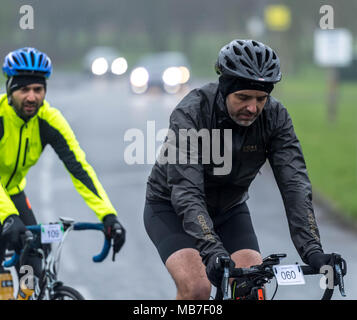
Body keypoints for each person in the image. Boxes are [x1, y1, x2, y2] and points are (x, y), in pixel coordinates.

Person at [144, 39, 344, 299]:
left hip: (229, 209)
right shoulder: (192, 113)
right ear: (225, 89)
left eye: (261, 98)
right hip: (171, 208)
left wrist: (313, 252)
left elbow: (294, 185)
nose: (252, 107)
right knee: (197, 289)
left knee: (251, 287)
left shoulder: (275, 117)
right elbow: (187, 192)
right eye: (243, 97)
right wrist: (213, 251)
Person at [0, 47, 126, 298]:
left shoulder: (50, 120)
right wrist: (7, 217)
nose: (32, 97)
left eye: (38, 89)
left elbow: (80, 169)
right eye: (24, 89)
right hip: (5, 204)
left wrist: (108, 216)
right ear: (10, 89)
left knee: (33, 256)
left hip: (11, 193)